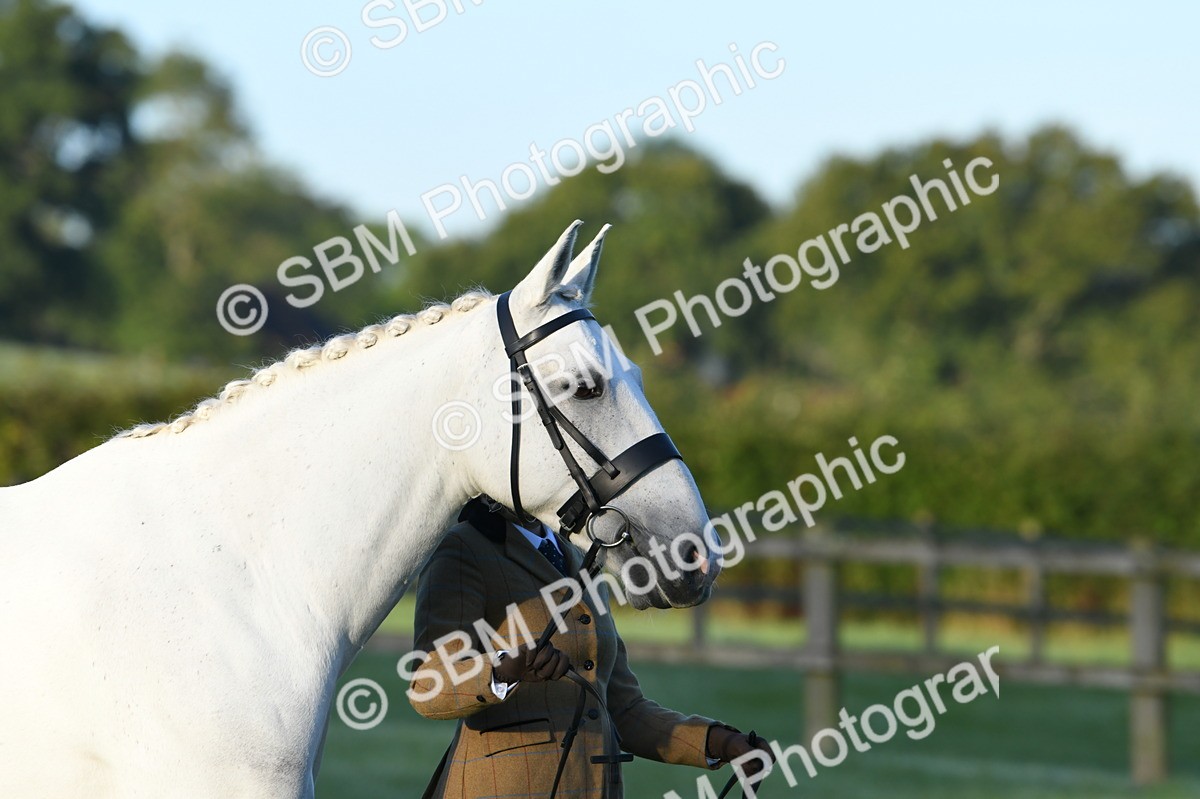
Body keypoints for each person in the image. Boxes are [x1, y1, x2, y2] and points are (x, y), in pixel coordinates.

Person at [408, 495, 771, 799]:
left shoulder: (581, 553)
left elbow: (622, 709)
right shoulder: (461, 548)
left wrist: (719, 742)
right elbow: (428, 685)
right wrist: (505, 668)